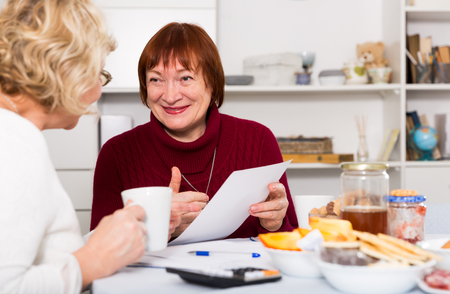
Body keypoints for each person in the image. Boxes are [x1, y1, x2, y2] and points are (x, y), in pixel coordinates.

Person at [0, 1, 194, 292]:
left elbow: (47, 259)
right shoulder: (15, 146)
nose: (98, 90)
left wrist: (112, 236)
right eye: (100, 73)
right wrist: (91, 261)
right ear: (68, 70)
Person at [91, 22, 298, 239]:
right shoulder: (116, 154)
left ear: (212, 82)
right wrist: (159, 228)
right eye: (156, 79)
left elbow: (291, 240)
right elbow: (98, 251)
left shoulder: (258, 141)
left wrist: (275, 224)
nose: (170, 96)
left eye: (186, 78)